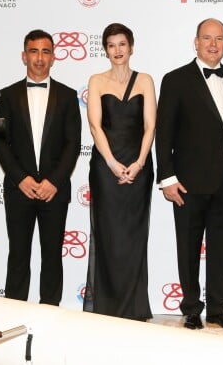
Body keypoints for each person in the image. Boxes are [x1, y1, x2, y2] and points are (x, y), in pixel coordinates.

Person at [155, 18, 223, 330]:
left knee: (221, 249)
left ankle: (218, 310)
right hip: (187, 183)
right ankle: (191, 309)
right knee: (187, 248)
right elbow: (165, 134)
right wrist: (168, 178)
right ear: (196, 42)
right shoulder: (175, 80)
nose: (213, 44)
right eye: (207, 38)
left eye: (219, 39)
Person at [0, 29, 81, 305]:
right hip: (19, 190)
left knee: (52, 255)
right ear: (24, 56)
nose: (39, 58)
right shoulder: (8, 95)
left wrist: (53, 181)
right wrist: (21, 179)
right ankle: (13, 314)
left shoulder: (67, 96)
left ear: (54, 57)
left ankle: (50, 313)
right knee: (18, 254)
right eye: (34, 51)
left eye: (45, 52)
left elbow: (73, 143)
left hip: (54, 191)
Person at [83, 23, 156, 321]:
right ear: (105, 49)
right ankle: (107, 308)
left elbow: (151, 125)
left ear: (132, 47)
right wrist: (113, 163)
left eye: (122, 44)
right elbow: (94, 126)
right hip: (105, 167)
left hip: (139, 167)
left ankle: (135, 308)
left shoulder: (146, 80)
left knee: (134, 236)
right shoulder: (97, 80)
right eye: (111, 45)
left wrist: (138, 164)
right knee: (109, 236)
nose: (117, 50)